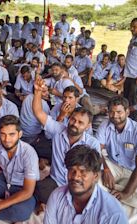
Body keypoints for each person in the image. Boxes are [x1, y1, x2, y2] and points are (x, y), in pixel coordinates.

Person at [32, 77, 100, 207]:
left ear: (87, 127)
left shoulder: (92, 143)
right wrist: (37, 92)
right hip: (56, 181)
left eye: (81, 123)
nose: (75, 124)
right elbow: (38, 113)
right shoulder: (59, 129)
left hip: (78, 184)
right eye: (73, 120)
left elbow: (95, 172)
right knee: (35, 189)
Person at [43, 145, 128, 224]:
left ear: (96, 176)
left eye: (83, 172)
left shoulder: (113, 215)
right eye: (72, 170)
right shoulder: (56, 196)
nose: (75, 177)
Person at [96, 96, 137, 209]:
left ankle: (111, 190)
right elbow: (96, 149)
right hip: (113, 166)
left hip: (132, 172)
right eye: (111, 111)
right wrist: (105, 168)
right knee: (90, 177)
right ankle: (114, 188)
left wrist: (126, 193)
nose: (115, 115)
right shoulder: (104, 125)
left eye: (119, 112)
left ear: (127, 112)